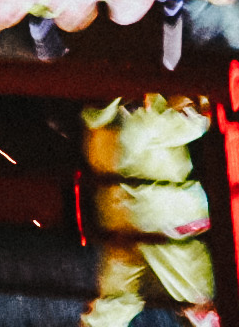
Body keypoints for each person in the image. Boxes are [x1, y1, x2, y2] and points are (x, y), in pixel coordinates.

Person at [83, 94, 217, 327]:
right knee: (195, 295)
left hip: (131, 213)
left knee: (120, 292)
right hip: (163, 213)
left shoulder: (104, 135)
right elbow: (192, 122)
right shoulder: (139, 127)